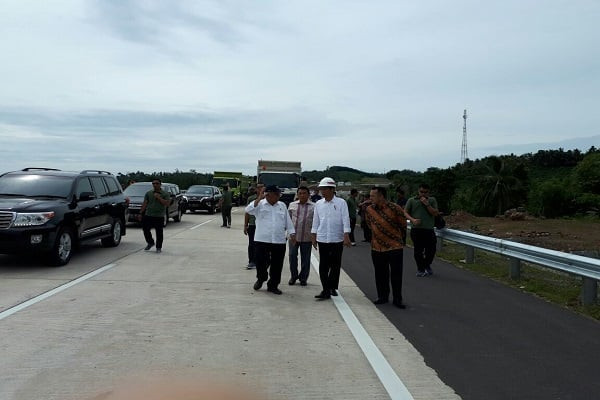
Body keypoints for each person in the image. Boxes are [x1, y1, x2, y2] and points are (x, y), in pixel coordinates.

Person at [365, 186, 418, 308]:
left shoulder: (395, 208)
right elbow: (369, 224)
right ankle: (382, 296)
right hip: (377, 247)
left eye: (373, 196)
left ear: (381, 196)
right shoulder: (369, 209)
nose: (370, 198)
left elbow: (402, 225)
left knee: (396, 274)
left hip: (394, 247)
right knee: (380, 274)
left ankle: (397, 299)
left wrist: (397, 239)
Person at [245, 185, 296, 295]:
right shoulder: (259, 204)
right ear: (268, 194)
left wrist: (292, 233)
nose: (278, 196)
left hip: (278, 240)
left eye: (279, 194)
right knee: (261, 262)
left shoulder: (282, 205)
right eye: (276, 194)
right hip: (262, 239)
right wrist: (260, 197)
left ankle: (273, 285)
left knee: (277, 264)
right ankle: (261, 278)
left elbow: (288, 221)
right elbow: (248, 210)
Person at [311, 177, 351, 299]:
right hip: (323, 238)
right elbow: (316, 220)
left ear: (331, 189)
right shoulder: (318, 204)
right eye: (321, 189)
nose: (322, 191)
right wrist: (313, 235)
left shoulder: (341, 203)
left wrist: (346, 235)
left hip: (337, 238)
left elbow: (345, 218)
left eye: (324, 189)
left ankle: (332, 287)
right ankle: (325, 289)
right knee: (323, 265)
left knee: (335, 265)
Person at [404, 183, 440, 277]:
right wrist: (412, 220)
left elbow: (435, 213)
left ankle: (426, 265)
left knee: (431, 250)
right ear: (418, 191)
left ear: (429, 192)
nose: (423, 194)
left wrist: (427, 204)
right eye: (421, 192)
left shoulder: (432, 200)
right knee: (418, 251)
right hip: (416, 230)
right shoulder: (411, 200)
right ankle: (420, 269)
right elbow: (405, 212)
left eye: (425, 192)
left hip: (429, 230)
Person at [287, 186, 315, 286]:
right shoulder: (292, 205)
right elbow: (288, 221)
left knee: (306, 259)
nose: (302, 195)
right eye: (300, 193)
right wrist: (289, 233)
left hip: (307, 237)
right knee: (292, 256)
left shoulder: (314, 206)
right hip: (294, 237)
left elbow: (316, 222)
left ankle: (303, 278)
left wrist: (314, 236)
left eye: (304, 193)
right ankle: (293, 276)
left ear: (308, 194)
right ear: (297, 194)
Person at [139, 179, 170, 253]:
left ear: (160, 184)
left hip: (159, 216)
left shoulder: (165, 194)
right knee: (146, 230)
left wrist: (159, 198)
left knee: (159, 232)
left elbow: (167, 204)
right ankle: (150, 242)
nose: (155, 185)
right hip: (148, 215)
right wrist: (140, 213)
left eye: (157, 183)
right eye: (153, 183)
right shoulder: (149, 193)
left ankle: (158, 247)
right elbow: (145, 203)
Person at [243, 186, 259, 269]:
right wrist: (245, 225)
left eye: (262, 187)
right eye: (258, 187)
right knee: (252, 244)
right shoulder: (251, 199)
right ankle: (252, 261)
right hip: (252, 224)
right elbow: (247, 212)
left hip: (262, 226)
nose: (260, 189)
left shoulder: (268, 199)